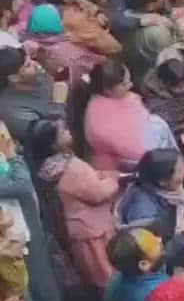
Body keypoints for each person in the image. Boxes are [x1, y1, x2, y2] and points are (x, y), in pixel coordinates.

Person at [28, 118, 119, 290]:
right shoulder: (71, 169)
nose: (69, 132)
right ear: (53, 145)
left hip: (77, 229)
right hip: (93, 232)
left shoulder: (50, 168)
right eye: (63, 132)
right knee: (107, 277)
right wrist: (113, 179)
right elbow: (98, 193)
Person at [105, 228, 169, 301]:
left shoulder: (114, 282)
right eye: (153, 244)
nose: (159, 239)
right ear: (144, 264)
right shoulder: (162, 293)